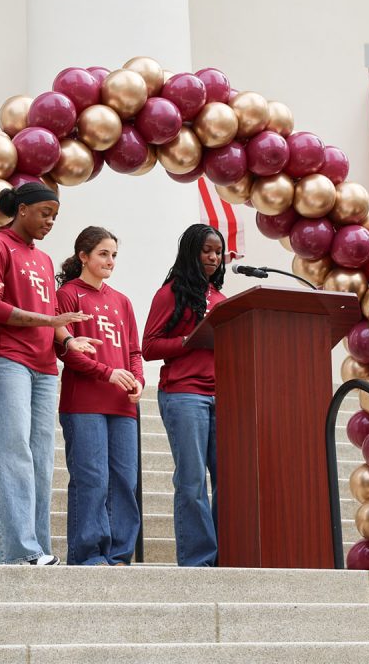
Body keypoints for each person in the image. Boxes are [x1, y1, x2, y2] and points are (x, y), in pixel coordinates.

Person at [0, 182, 96, 565]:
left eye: (55, 216)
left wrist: (67, 340)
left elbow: (50, 313)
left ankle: (39, 548)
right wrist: (49, 320)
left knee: (41, 459)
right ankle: (17, 551)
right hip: (6, 361)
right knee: (12, 453)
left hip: (45, 367)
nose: (50, 222)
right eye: (45, 213)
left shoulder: (43, 260)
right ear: (22, 209)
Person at [55, 226, 144, 565]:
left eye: (114, 255)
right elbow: (68, 351)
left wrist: (136, 378)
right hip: (84, 403)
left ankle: (120, 554)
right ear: (83, 257)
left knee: (124, 480)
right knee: (92, 479)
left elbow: (134, 350)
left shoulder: (122, 301)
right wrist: (107, 372)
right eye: (104, 254)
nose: (110, 261)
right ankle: (88, 554)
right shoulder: (67, 295)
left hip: (123, 405)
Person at [142, 223, 226, 567]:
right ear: (191, 251)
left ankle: (226, 552)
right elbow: (148, 346)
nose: (213, 257)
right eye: (206, 250)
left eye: (218, 252)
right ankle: (198, 560)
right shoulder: (171, 293)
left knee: (229, 480)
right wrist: (188, 341)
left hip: (222, 396)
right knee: (191, 480)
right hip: (184, 394)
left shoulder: (221, 299)